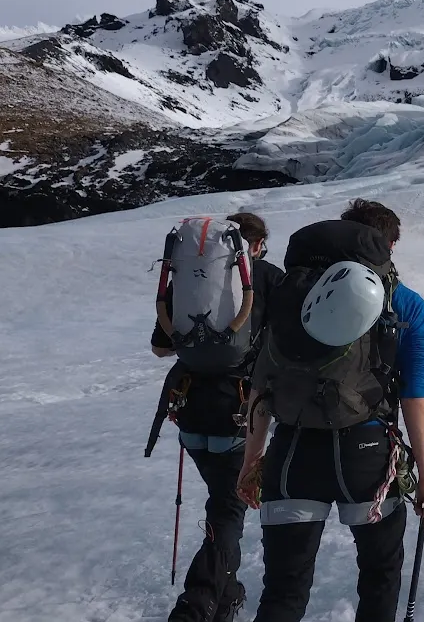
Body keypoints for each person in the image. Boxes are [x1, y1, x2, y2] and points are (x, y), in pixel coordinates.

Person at [240, 198, 424, 622]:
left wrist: (252, 461)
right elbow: (413, 395)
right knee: (379, 579)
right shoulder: (406, 305)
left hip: (292, 452)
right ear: (389, 246)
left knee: (283, 593)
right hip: (367, 456)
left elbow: (263, 384)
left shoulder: (292, 296)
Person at [154, 212, 285, 622]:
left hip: (191, 416)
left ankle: (227, 598)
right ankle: (197, 605)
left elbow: (162, 347)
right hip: (239, 415)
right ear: (256, 245)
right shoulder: (265, 277)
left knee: (222, 503)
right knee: (228, 510)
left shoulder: (190, 282)